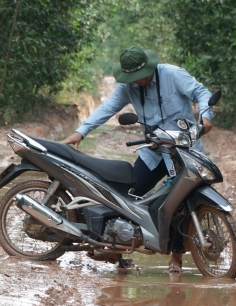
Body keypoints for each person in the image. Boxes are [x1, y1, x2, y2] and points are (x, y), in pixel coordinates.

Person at [63, 46, 214, 273]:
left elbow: (202, 93)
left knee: (185, 200)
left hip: (184, 149)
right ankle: (115, 245)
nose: (136, 83)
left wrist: (205, 115)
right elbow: (107, 109)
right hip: (153, 151)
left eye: (139, 78)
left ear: (149, 68)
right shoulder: (128, 87)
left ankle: (176, 258)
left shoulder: (173, 74)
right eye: (131, 79)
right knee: (129, 195)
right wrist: (81, 131)